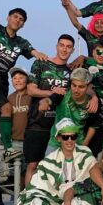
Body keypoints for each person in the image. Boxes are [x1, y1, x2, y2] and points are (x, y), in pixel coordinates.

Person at [23, 34, 75, 185]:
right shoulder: (41, 64)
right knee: (33, 166)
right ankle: (30, 200)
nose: (64, 49)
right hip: (37, 123)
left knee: (56, 167)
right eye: (62, 45)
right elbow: (31, 90)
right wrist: (51, 93)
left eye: (68, 47)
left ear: (72, 50)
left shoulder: (71, 71)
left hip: (59, 127)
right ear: (56, 46)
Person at [47, 68, 95, 150]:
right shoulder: (62, 94)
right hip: (56, 143)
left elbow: (93, 125)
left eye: (81, 87)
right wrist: (44, 102)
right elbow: (49, 100)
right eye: (74, 85)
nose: (76, 90)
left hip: (77, 144)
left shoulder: (93, 102)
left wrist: (85, 144)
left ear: (88, 87)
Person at [0, 67, 31, 163]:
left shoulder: (32, 96)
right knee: (14, 173)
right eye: (14, 78)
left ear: (27, 79)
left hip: (30, 141)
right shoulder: (10, 98)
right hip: (15, 142)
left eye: (21, 77)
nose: (17, 81)